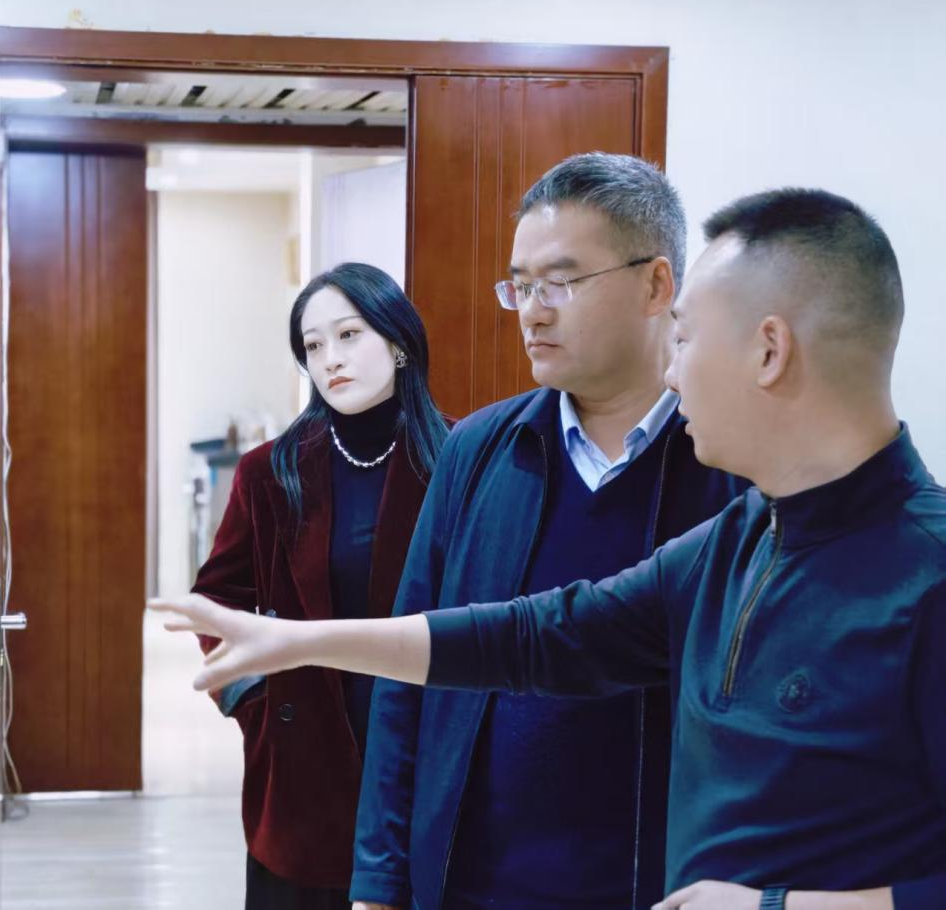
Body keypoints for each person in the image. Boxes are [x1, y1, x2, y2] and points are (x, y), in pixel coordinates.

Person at [155, 189, 946, 910]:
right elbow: (538, 634)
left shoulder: (922, 572)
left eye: (685, 339)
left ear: (767, 351)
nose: (673, 371)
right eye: (520, 286)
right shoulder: (738, 539)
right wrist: (301, 643)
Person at [352, 153, 743, 910]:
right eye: (520, 286)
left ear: (656, 285)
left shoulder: (730, 463)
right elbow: (408, 671)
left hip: (661, 885)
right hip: (474, 884)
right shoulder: (480, 449)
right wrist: (379, 881)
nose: (532, 312)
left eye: (559, 282)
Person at [188, 262, 450, 909]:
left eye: (348, 335)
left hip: (424, 745)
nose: (330, 358)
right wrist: (253, 700)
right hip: (304, 759)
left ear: (397, 341)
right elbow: (215, 602)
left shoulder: (456, 459)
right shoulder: (270, 472)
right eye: (313, 345)